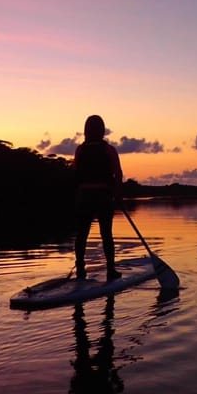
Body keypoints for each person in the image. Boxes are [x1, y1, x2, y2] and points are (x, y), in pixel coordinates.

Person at [73, 114, 124, 282]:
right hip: (103, 195)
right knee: (106, 234)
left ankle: (80, 268)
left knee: (82, 234)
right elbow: (118, 174)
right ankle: (111, 270)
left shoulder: (80, 149)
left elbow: (75, 173)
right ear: (102, 131)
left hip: (84, 195)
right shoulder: (109, 150)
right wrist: (118, 195)